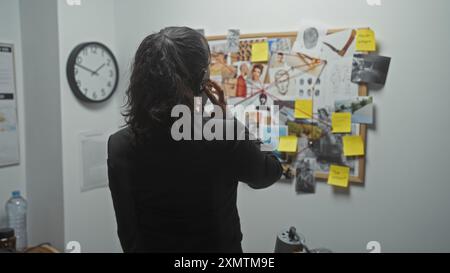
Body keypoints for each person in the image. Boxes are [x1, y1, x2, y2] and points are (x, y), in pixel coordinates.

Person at [107, 27, 282, 253]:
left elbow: (127, 231)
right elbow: (267, 174)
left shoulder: (119, 145)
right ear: (201, 77)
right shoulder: (222, 133)